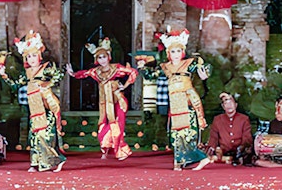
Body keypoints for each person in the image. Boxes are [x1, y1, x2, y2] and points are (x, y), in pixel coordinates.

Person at [136, 27, 211, 171]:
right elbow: (150, 76)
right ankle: (179, 162)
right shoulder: (165, 67)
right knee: (176, 134)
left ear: (182, 52)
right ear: (168, 53)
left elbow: (205, 70)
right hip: (175, 102)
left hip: (187, 99)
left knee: (189, 132)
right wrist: (143, 68)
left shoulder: (190, 63)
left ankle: (202, 158)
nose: (176, 54)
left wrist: (204, 71)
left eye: (178, 51)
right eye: (172, 51)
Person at [0, 30, 66, 173]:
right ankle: (35, 163)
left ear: (39, 56)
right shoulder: (26, 74)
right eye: (28, 56)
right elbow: (15, 85)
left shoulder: (46, 68)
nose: (32, 59)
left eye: (34, 55)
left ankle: (55, 161)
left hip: (45, 106)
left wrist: (45, 86)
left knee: (44, 137)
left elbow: (59, 75)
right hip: (34, 108)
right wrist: (4, 75)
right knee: (34, 137)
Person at [67, 37, 138, 160]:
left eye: (104, 57)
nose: (102, 60)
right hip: (104, 104)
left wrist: (124, 86)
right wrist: (73, 73)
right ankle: (105, 150)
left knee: (117, 125)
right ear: (96, 59)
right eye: (99, 58)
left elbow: (133, 72)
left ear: (108, 57)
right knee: (103, 127)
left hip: (118, 101)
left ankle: (120, 151)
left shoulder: (116, 68)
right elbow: (83, 74)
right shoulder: (96, 72)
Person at [206, 92, 253, 165]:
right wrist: (212, 149)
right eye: (226, 103)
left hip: (239, 154)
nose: (229, 105)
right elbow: (213, 138)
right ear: (223, 106)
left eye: (231, 102)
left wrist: (242, 150)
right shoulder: (218, 119)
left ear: (236, 105)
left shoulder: (244, 119)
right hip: (223, 154)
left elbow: (247, 138)